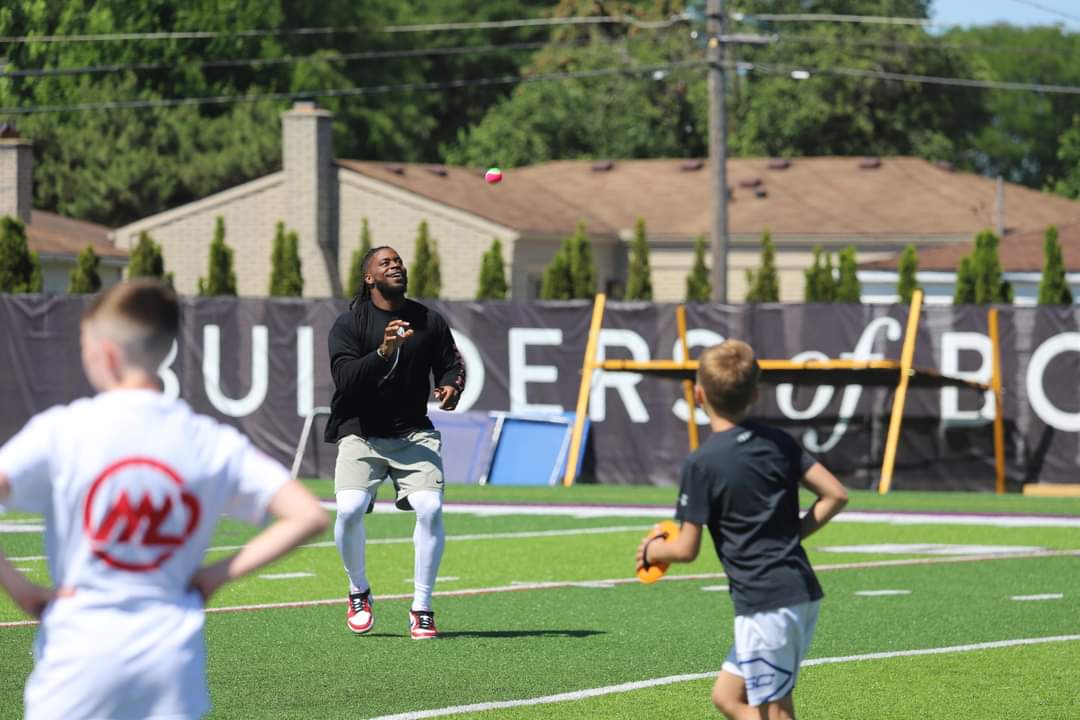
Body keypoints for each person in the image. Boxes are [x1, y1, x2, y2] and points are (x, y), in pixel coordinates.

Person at [0, 279, 329, 720]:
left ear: (109, 355)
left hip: (78, 653)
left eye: (85, 348)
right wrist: (214, 576)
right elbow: (308, 515)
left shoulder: (62, 430)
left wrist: (20, 589)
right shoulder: (208, 440)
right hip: (170, 660)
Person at [636, 339, 848, 720]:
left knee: (775, 712)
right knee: (728, 697)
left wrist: (652, 551)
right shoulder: (778, 442)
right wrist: (792, 535)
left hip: (767, 602)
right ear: (754, 394)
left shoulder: (702, 463)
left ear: (698, 395)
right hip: (791, 590)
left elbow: (685, 549)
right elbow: (835, 494)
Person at [326, 245, 465, 639]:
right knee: (350, 509)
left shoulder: (429, 320)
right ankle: (358, 590)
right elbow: (346, 380)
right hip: (360, 430)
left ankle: (422, 607)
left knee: (429, 506)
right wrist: (384, 351)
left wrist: (451, 385)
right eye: (385, 263)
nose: (396, 266)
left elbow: (453, 363)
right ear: (369, 277)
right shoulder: (349, 323)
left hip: (413, 432)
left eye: (399, 261)